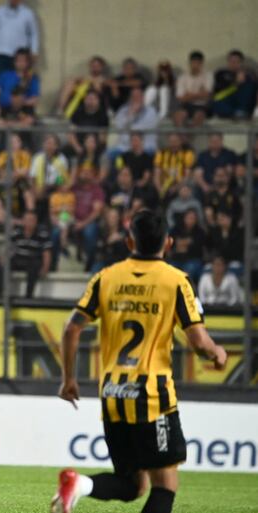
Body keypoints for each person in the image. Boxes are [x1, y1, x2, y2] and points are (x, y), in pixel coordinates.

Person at [51, 209, 228, 513]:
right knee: (165, 484)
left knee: (133, 485)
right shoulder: (176, 281)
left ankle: (79, 484)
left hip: (113, 395)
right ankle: (78, 484)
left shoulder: (106, 278)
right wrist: (218, 353)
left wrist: (69, 379)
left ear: (130, 242)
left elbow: (71, 328)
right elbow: (199, 343)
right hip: (153, 397)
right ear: (169, 243)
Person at [0, 0, 39, 88]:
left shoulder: (28, 13)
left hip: (20, 57)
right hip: (1, 54)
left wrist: (34, 50)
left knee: (17, 86)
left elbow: (33, 34)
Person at [112, 87, 159, 154]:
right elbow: (118, 126)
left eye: (138, 96)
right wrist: (130, 115)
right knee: (109, 154)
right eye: (133, 97)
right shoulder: (123, 110)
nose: (136, 99)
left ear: (143, 98)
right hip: (125, 147)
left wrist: (129, 126)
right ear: (130, 98)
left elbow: (144, 128)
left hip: (146, 147)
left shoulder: (151, 111)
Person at [212, 49, 256, 119]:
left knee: (250, 83)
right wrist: (236, 83)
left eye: (237, 62)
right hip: (225, 101)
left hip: (241, 103)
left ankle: (243, 111)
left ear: (241, 63)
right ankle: (236, 113)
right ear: (228, 62)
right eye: (231, 61)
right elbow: (218, 94)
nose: (234, 64)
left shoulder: (248, 75)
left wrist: (247, 75)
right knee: (214, 103)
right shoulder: (221, 73)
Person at [173, 51, 212, 127]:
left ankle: (189, 136)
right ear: (190, 63)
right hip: (186, 105)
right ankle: (183, 136)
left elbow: (207, 95)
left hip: (202, 106)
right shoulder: (182, 77)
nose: (195, 65)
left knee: (199, 115)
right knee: (178, 116)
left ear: (201, 64)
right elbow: (180, 98)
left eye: (198, 63)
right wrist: (199, 94)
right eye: (193, 63)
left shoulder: (208, 76)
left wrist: (188, 94)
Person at [168, 208, 206, 284]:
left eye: (193, 218)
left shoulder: (199, 231)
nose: (190, 221)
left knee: (188, 270)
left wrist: (182, 244)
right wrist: (187, 242)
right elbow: (171, 243)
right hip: (177, 259)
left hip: (193, 259)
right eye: (188, 218)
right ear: (184, 218)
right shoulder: (176, 229)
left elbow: (197, 248)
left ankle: (187, 293)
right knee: (170, 270)